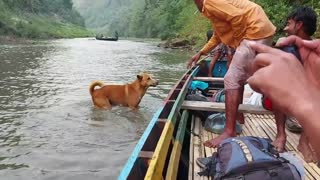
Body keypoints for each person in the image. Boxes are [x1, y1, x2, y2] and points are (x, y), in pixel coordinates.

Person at [187, 0, 276, 148]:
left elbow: (237, 16)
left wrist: (239, 42)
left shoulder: (209, 2)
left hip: (254, 31)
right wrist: (201, 52)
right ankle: (239, 116)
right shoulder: (208, 8)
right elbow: (217, 35)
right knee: (242, 79)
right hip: (261, 30)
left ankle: (229, 131)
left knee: (231, 78)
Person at [248, 35, 320, 163]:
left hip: (302, 102)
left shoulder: (311, 53)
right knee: (278, 90)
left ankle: (303, 141)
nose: (286, 26)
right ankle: (281, 135)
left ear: (299, 24)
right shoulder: (288, 48)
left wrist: (303, 104)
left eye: (289, 23)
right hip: (273, 101)